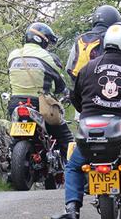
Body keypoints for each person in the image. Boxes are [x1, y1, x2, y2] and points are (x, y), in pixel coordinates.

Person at [51, 22, 121, 219]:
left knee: (74, 168)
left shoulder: (88, 67)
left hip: (90, 137)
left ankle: (72, 211)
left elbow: (77, 99)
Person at [7, 22, 73, 157]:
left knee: (14, 138)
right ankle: (72, 172)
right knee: (65, 136)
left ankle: (9, 161)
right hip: (39, 105)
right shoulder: (48, 57)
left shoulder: (13, 55)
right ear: (42, 40)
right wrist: (66, 93)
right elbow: (59, 85)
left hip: (14, 104)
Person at [65, 4, 121, 81]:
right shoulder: (111, 39)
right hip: (100, 84)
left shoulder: (80, 39)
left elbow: (68, 68)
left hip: (79, 85)